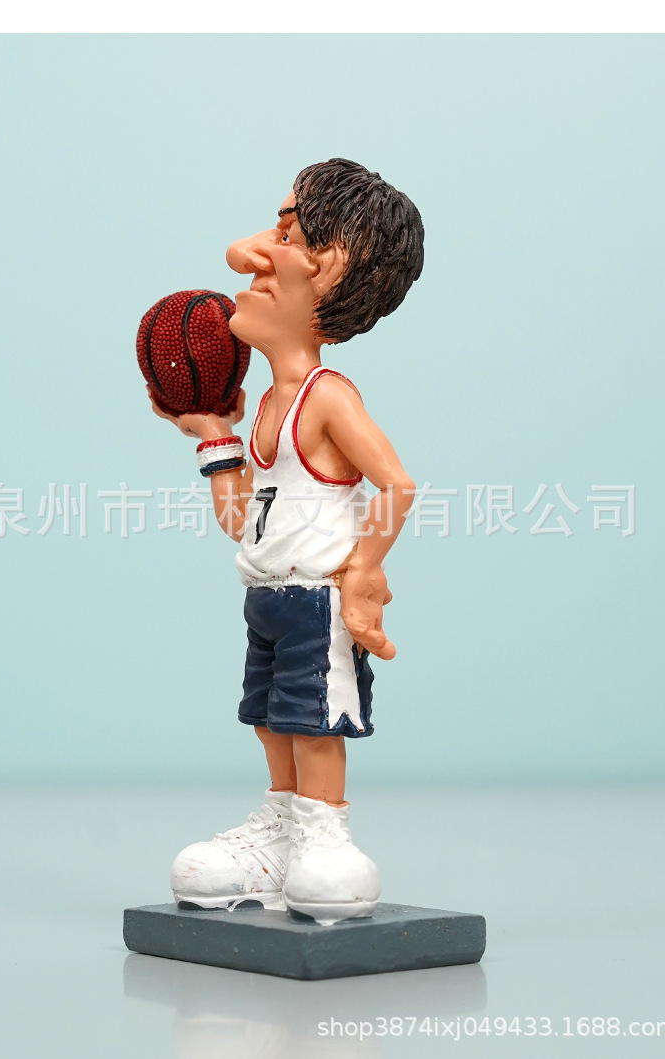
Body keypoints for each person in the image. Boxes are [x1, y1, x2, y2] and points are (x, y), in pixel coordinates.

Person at [149, 158, 424, 924]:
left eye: (285, 234)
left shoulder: (326, 398)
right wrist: (214, 436)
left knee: (315, 719)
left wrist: (363, 569)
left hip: (315, 599)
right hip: (267, 595)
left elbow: (397, 486)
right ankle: (279, 829)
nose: (243, 254)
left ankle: (324, 834)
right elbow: (242, 517)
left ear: (333, 267)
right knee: (270, 715)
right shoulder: (271, 405)